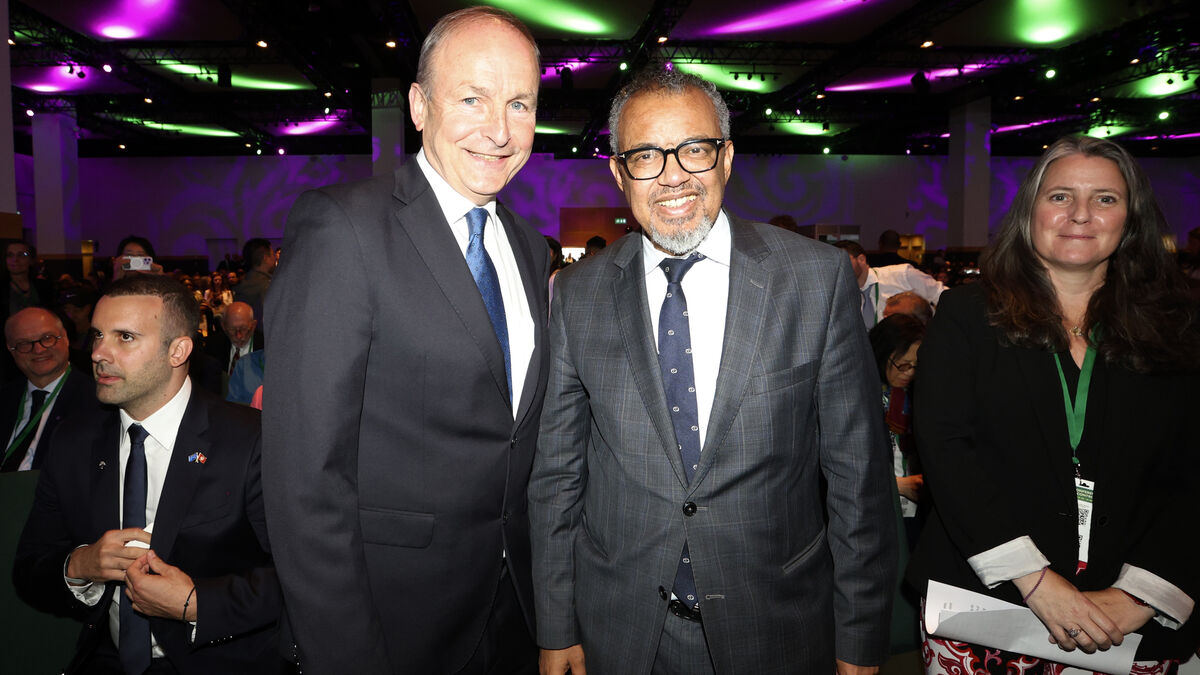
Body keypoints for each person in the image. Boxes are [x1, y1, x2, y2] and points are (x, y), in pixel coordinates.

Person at [529, 67, 895, 675]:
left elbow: (858, 475)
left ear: (726, 157)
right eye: (646, 155)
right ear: (619, 173)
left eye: (694, 149)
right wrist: (555, 624)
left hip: (776, 625)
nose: (672, 175)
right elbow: (558, 475)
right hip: (619, 629)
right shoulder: (577, 293)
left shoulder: (814, 278)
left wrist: (858, 636)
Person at [263, 7, 548, 674]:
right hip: (391, 626)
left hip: (514, 618)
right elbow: (305, 479)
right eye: (472, 99)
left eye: (520, 104)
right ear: (419, 106)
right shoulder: (344, 228)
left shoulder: (530, 248)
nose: (499, 130)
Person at [909, 135, 1200, 673]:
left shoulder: (1178, 326)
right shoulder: (968, 314)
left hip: (1132, 619)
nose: (1081, 214)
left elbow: (1191, 471)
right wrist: (1035, 579)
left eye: (1105, 199)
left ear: (1131, 218)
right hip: (990, 608)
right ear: (1031, 211)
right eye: (1061, 196)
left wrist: (1143, 593)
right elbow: (947, 452)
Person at [14, 274, 285, 674]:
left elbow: (303, 578)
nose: (98, 352)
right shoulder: (74, 440)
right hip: (107, 659)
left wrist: (198, 603)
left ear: (178, 350)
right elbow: (29, 569)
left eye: (124, 337)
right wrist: (80, 566)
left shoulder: (250, 440)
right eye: (97, 334)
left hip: (219, 660)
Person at [0, 308, 99, 472]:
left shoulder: (97, 400)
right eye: (24, 343)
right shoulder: (5, 399)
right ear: (11, 349)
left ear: (65, 338)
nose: (38, 350)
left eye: (47, 338)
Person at [867, 313, 925, 546]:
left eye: (916, 366)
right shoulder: (862, 395)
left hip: (911, 508)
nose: (909, 373)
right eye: (902, 365)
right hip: (875, 508)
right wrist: (899, 485)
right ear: (882, 354)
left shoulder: (915, 394)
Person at [834, 240, 946, 329]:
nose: (838, 268)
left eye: (842, 262)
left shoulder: (902, 274)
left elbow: (943, 297)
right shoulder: (843, 295)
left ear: (861, 259)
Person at [204, 301, 262, 375]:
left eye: (243, 329)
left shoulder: (266, 348)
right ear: (223, 326)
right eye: (232, 329)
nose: (238, 336)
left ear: (253, 325)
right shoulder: (212, 346)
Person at [233, 238, 275, 321]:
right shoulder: (267, 286)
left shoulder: (243, 283)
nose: (275, 258)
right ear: (265, 258)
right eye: (273, 254)